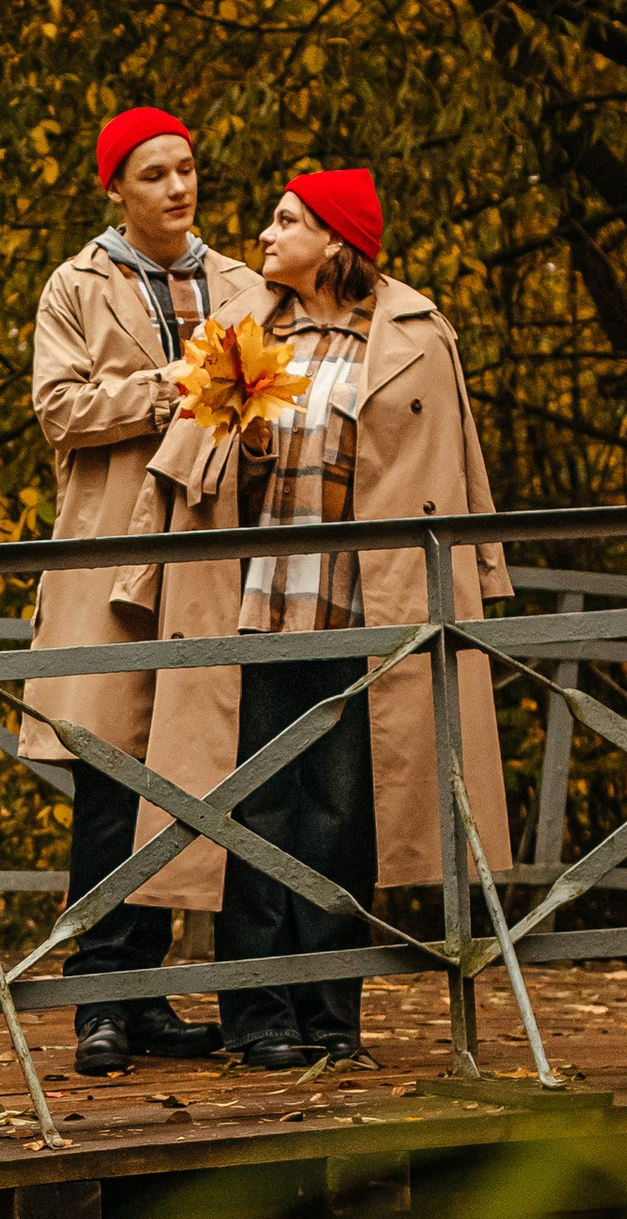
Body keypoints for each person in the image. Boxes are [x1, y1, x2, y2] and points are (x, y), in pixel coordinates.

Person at [139, 164, 511, 1067]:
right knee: (251, 808)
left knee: (342, 814)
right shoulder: (239, 332)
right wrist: (243, 443)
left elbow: (457, 467)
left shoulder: (417, 334)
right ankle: (256, 1015)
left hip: (366, 608)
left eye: (285, 220)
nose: (265, 235)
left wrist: (484, 577)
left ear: (335, 239)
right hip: (258, 603)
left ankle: (329, 1016)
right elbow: (185, 472)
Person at [21, 107, 253, 1075]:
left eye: (186, 169)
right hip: (114, 552)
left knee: (202, 776)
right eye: (153, 173)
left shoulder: (241, 282)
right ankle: (102, 1003)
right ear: (114, 188)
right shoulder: (74, 286)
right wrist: (169, 385)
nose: (177, 187)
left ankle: (155, 998)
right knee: (112, 779)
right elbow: (61, 411)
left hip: (220, 557)